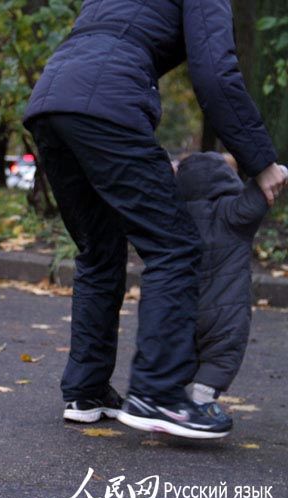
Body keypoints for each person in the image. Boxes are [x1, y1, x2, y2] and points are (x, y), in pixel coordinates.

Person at [22, 0, 285, 439]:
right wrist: (262, 161)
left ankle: (86, 391)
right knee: (174, 245)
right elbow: (216, 75)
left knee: (99, 249)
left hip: (51, 102)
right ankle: (159, 394)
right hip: (107, 103)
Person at [175, 153, 286, 426]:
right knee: (223, 353)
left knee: (178, 352)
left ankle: (171, 399)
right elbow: (260, 193)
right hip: (225, 310)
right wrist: (278, 169)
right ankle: (202, 400)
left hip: (181, 306)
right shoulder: (235, 211)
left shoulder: (176, 214)